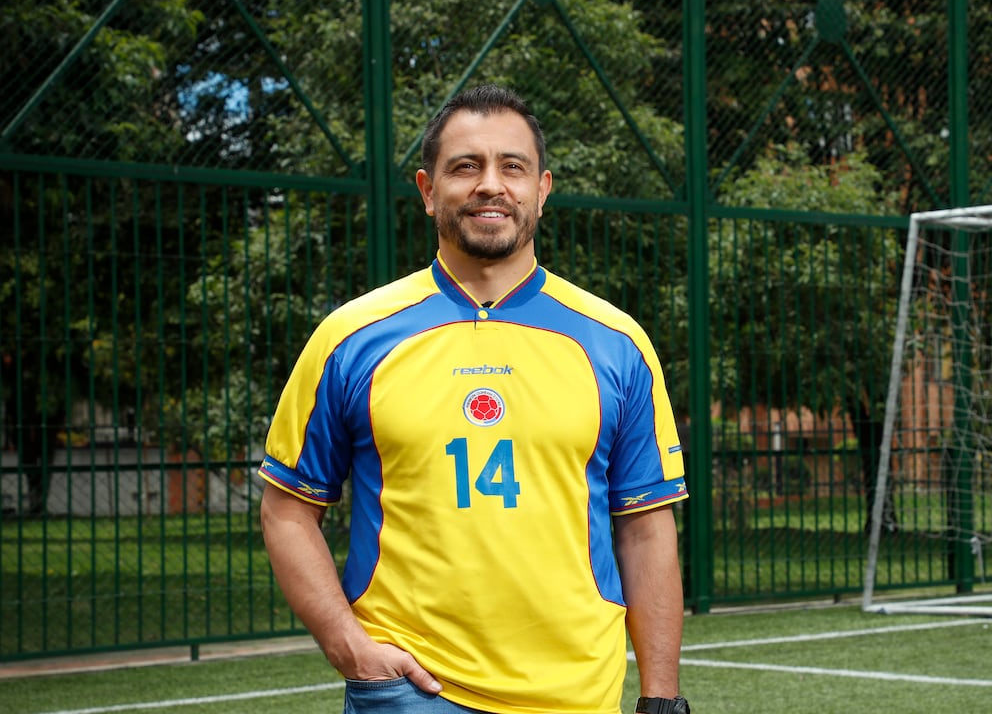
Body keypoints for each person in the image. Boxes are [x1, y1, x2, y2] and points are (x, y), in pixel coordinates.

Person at [258, 84, 691, 714]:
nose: (491, 184)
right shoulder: (351, 338)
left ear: (541, 189)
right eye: (466, 166)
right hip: (409, 693)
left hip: (576, 695)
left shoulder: (618, 342)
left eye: (512, 166)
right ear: (428, 190)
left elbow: (646, 529)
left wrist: (661, 699)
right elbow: (287, 510)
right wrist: (349, 645)